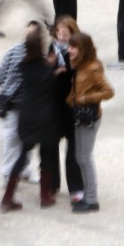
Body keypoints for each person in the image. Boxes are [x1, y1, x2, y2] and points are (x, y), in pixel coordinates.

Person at [0, 26, 61, 212]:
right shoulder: (48, 69)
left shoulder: (24, 66)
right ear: (42, 45)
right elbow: (51, 82)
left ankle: (8, 197)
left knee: (22, 156)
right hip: (46, 118)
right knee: (47, 157)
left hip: (27, 117)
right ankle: (45, 196)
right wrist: (54, 68)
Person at [66, 32, 115, 213]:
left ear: (82, 49)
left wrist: (86, 98)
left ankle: (92, 200)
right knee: (80, 156)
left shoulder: (93, 68)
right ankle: (88, 196)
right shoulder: (79, 65)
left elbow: (109, 91)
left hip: (89, 117)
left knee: (85, 157)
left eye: (73, 47)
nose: (69, 50)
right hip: (80, 115)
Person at [0, 22, 44, 186]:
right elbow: (0, 74)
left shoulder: (41, 56)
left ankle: (24, 169)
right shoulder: (14, 51)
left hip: (30, 105)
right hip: (12, 103)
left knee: (27, 139)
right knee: (11, 138)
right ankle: (8, 172)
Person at [51, 16, 84, 203]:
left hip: (71, 107)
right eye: (59, 33)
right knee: (51, 147)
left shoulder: (78, 55)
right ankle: (52, 184)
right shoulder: (51, 52)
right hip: (54, 106)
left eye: (66, 34)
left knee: (73, 150)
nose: (62, 38)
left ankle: (76, 188)